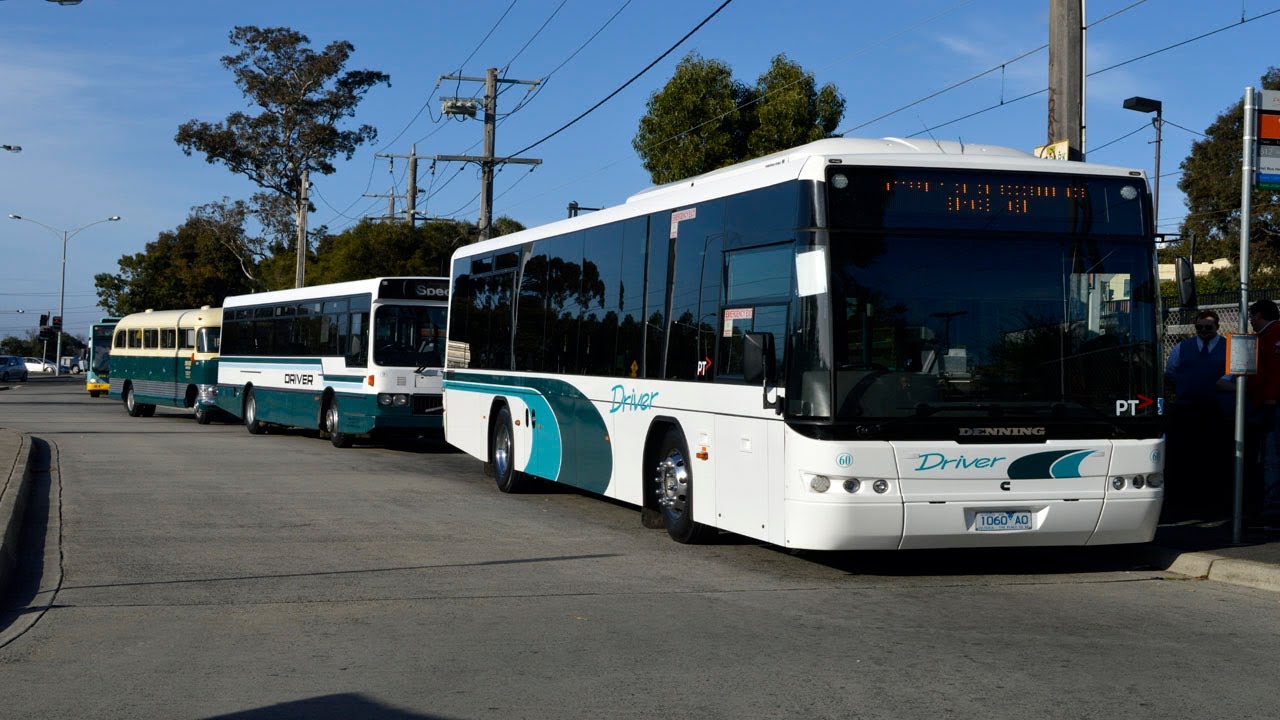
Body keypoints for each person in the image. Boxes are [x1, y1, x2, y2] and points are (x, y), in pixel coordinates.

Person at [1163, 310, 1233, 519]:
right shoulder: (1182, 348)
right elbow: (1171, 371)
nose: (1203, 331)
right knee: (1185, 456)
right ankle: (1185, 501)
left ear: (1217, 327)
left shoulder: (1227, 347)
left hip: (1216, 409)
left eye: (1208, 327)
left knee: (1213, 457)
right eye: (1200, 327)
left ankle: (1212, 502)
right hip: (1187, 407)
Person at [1247, 299, 1280, 532]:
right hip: (1269, 402)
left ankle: (1272, 510)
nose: (1250, 321)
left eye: (1252, 316)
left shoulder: (1271, 337)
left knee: (1271, 458)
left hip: (1272, 405)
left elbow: (1272, 373)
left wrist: (1268, 401)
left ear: (1259, 316)